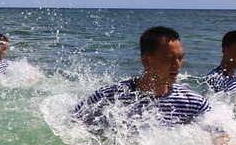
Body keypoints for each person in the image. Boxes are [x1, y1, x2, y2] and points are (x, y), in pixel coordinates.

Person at [72, 26, 220, 138]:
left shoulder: (194, 103)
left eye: (180, 58)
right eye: (169, 59)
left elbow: (220, 134)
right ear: (147, 60)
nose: (177, 65)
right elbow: (71, 125)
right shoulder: (110, 96)